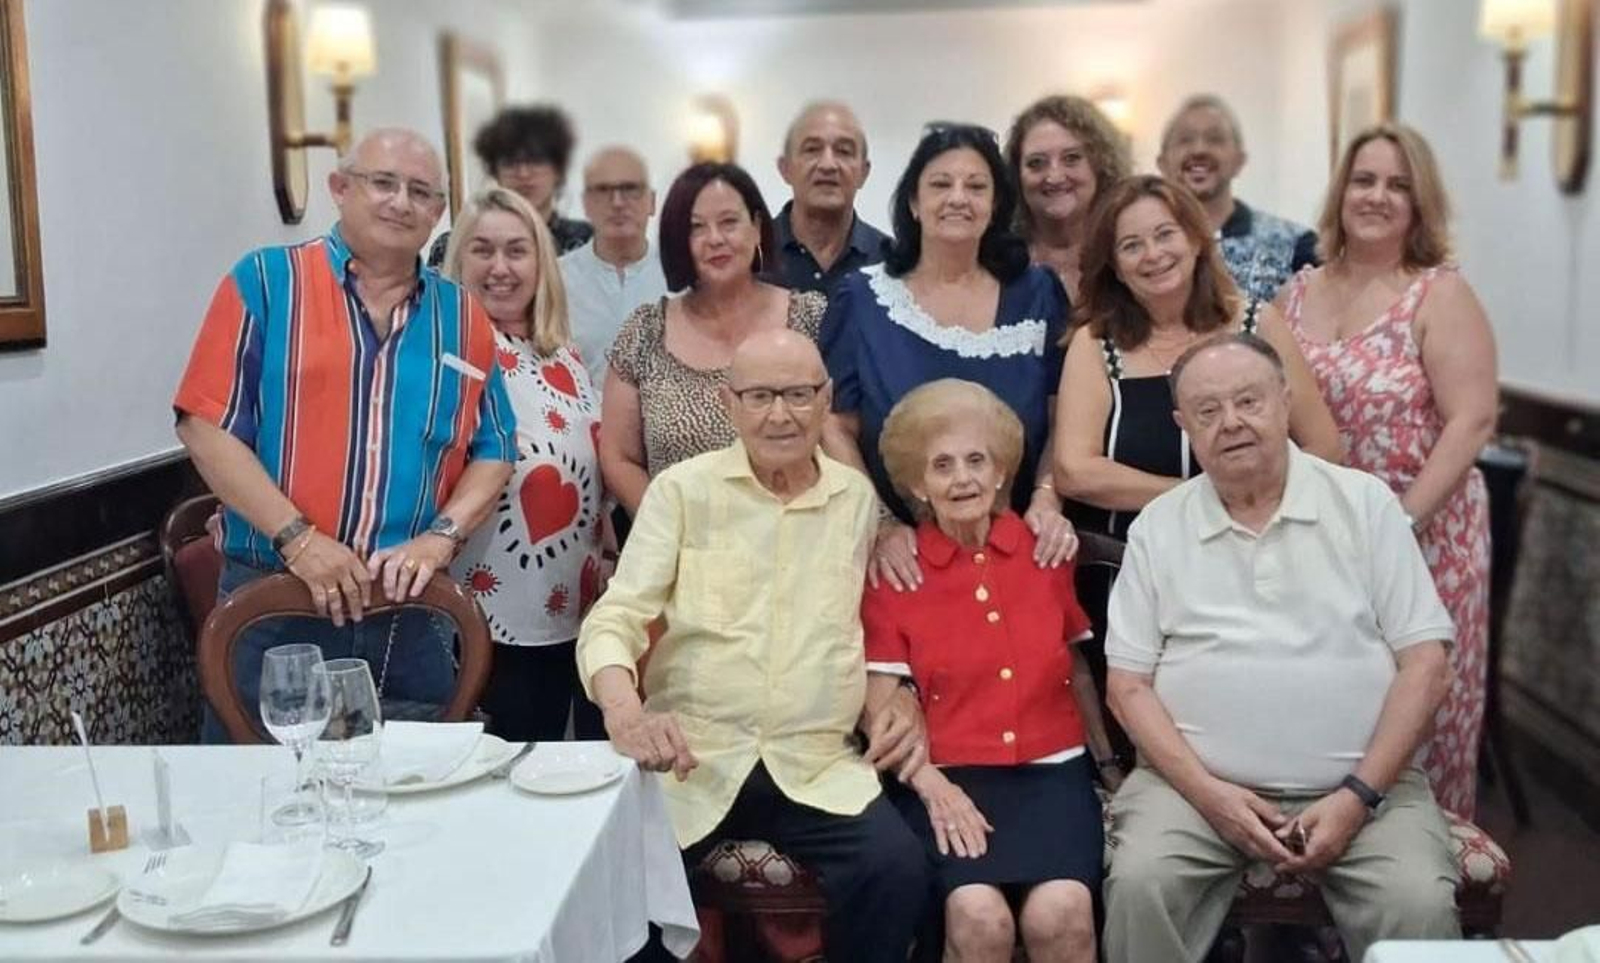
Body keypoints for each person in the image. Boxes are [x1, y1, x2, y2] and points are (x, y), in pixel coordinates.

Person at [1102, 333, 1461, 963]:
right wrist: (1209, 795)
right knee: (1140, 883)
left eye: (1249, 401)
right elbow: (1127, 687)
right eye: (1208, 411)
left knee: (1418, 901)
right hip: (1192, 792)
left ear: (1285, 401)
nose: (1231, 422)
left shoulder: (1364, 504)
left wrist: (1357, 796)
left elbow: (1426, 666)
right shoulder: (1160, 526)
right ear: (1184, 426)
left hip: (1366, 789)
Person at [579, 330, 930, 963]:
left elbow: (876, 620)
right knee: (616, 882)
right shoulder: (682, 490)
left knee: (898, 869)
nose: (780, 414)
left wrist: (898, 690)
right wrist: (624, 712)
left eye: (798, 394)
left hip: (815, 764)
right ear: (729, 402)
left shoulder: (855, 500)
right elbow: (617, 615)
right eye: (760, 395)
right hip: (694, 760)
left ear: (825, 400)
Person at [174, 128, 516, 736]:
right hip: (276, 601)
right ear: (340, 188)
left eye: (421, 192)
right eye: (383, 183)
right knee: (264, 782)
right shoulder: (267, 283)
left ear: (438, 211)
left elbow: (496, 449)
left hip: (409, 612)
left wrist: (440, 538)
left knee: (422, 784)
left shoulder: (463, 316)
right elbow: (205, 424)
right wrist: (299, 540)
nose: (401, 202)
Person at [1280, 123, 1496, 819]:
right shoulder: (1294, 294)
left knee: (1418, 713)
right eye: (1364, 180)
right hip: (1324, 538)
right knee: (1332, 710)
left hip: (1425, 534)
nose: (1377, 196)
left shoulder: (1438, 293)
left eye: (1398, 185)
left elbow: (1472, 421)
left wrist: (1398, 526)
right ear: (1340, 191)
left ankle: (1430, 863)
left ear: (1419, 203)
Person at [863, 379, 1111, 963]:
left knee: (1062, 914)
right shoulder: (897, 571)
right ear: (917, 485)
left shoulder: (1044, 551)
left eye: (976, 461)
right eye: (941, 465)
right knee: (979, 917)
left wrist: (1107, 765)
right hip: (947, 777)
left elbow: (1075, 671)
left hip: (1053, 775)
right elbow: (878, 710)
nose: (963, 479)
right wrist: (933, 788)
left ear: (1001, 471)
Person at [821, 123, 1079, 595]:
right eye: (941, 184)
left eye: (976, 186)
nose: (958, 198)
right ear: (913, 203)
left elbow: (1064, 416)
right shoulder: (862, 297)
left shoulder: (1039, 292)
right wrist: (879, 523)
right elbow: (835, 425)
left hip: (1022, 547)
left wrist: (1047, 499)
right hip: (901, 562)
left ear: (996, 205)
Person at [441, 185, 605, 742]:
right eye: (482, 250)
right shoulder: (452, 354)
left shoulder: (562, 353)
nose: (500, 267)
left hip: (570, 605)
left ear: (542, 263)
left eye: (517, 250)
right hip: (489, 618)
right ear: (459, 260)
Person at [599, 162, 827, 517]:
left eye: (729, 222)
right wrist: (671, 527)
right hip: (680, 540)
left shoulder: (812, 318)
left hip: (801, 531)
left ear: (756, 227)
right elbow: (618, 457)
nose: (715, 239)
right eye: (696, 228)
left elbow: (839, 432)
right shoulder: (644, 332)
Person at [1157, 94, 1317, 303]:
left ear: (1239, 161)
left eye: (1215, 139)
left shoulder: (1298, 246)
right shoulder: (1141, 247)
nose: (1199, 149)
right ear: (1162, 163)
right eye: (1185, 140)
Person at [558, 146, 668, 401]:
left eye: (630, 189)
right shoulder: (555, 279)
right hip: (579, 420)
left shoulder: (679, 278)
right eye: (603, 190)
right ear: (586, 204)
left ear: (652, 201)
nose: (617, 202)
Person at [427, 104, 592, 267]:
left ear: (558, 170)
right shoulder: (454, 246)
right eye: (510, 162)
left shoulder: (590, 242)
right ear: (495, 172)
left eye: (536, 160)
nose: (523, 173)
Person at [1004, 94, 1131, 300]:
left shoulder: (1128, 252)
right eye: (1036, 163)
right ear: (1016, 174)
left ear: (1100, 165)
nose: (1054, 177)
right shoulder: (998, 262)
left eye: (1071, 158)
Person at [772, 100, 891, 294]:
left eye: (844, 151)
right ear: (785, 169)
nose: (828, 165)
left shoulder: (893, 262)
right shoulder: (753, 254)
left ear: (864, 172)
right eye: (812, 149)